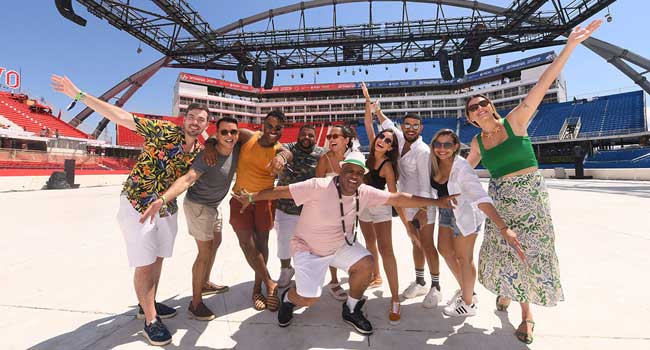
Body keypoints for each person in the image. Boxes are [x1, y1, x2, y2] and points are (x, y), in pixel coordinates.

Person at [465, 20, 602, 344]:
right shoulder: (477, 143)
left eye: (483, 103)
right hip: (501, 199)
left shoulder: (516, 121)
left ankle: (527, 315)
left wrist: (570, 46)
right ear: (470, 118)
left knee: (529, 252)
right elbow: (461, 173)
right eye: (473, 107)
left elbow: (543, 84)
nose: (480, 107)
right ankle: (507, 291)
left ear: (491, 106)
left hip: (530, 198)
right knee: (503, 250)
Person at [51, 74, 210, 346]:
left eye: (201, 119)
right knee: (145, 263)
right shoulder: (162, 130)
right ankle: (150, 321)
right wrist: (79, 95)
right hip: (138, 204)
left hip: (166, 209)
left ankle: (146, 304)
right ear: (184, 119)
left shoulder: (199, 150)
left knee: (158, 258)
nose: (195, 122)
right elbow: (122, 117)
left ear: (207, 124)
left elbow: (186, 179)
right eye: (192, 117)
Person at [232, 151, 458, 335]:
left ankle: (351, 309)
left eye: (359, 173)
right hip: (309, 249)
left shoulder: (364, 192)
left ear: (363, 177)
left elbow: (399, 198)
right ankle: (289, 298)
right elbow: (280, 192)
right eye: (349, 170)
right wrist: (251, 197)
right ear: (340, 171)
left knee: (367, 263)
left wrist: (437, 202)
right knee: (308, 299)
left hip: (339, 245)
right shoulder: (317, 186)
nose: (354, 176)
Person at [139, 117, 256, 322]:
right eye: (224, 132)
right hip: (198, 206)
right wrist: (164, 198)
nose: (229, 136)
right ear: (217, 134)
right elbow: (188, 178)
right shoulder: (206, 157)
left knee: (216, 243)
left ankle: (204, 282)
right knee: (204, 252)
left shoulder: (236, 147)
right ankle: (195, 303)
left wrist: (212, 139)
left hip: (214, 205)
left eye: (233, 132)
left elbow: (252, 135)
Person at [427, 129, 525, 318]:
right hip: (446, 210)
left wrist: (503, 227)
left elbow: (480, 196)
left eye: (447, 144)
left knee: (464, 258)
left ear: (455, 146)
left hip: (465, 213)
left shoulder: (462, 167)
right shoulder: (434, 164)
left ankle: (468, 304)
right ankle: (467, 291)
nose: (442, 149)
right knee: (445, 250)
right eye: (438, 144)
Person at [370, 92, 441, 308]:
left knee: (427, 244)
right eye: (407, 124)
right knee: (415, 242)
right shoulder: (400, 140)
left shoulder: (422, 151)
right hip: (406, 202)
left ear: (421, 129)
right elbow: (386, 122)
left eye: (415, 125)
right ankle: (420, 281)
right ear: (403, 126)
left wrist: (422, 209)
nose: (410, 128)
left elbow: (426, 183)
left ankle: (436, 287)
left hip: (423, 203)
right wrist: (376, 110)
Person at [358, 82, 417, 324]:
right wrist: (367, 99)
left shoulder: (387, 167)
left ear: (392, 147)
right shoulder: (370, 152)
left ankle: (394, 298)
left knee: (386, 250)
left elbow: (395, 198)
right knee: (369, 244)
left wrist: (407, 225)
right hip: (362, 207)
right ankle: (376, 275)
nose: (382, 140)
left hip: (381, 208)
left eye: (388, 140)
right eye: (382, 137)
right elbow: (366, 123)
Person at [229, 110, 290, 312]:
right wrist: (211, 145)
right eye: (270, 125)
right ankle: (269, 282)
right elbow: (223, 134)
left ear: (282, 130)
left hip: (263, 201)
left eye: (278, 128)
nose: (273, 130)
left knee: (262, 243)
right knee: (246, 243)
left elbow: (287, 153)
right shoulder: (248, 135)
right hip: (239, 199)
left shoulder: (279, 149)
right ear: (263, 124)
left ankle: (258, 289)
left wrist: (282, 156)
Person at [274, 124, 326, 288]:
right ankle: (285, 269)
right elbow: (285, 153)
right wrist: (282, 158)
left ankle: (306, 272)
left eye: (311, 136)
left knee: (310, 245)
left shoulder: (321, 153)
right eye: (304, 135)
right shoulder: (288, 147)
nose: (307, 138)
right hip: (285, 206)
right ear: (298, 136)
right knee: (283, 241)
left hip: (310, 209)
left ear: (315, 138)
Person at [314, 124, 355, 301]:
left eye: (335, 136)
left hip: (351, 211)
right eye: (329, 137)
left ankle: (353, 274)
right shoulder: (325, 159)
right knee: (330, 247)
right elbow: (316, 185)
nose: (331, 140)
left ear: (346, 140)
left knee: (350, 245)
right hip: (329, 212)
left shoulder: (355, 158)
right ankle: (333, 280)